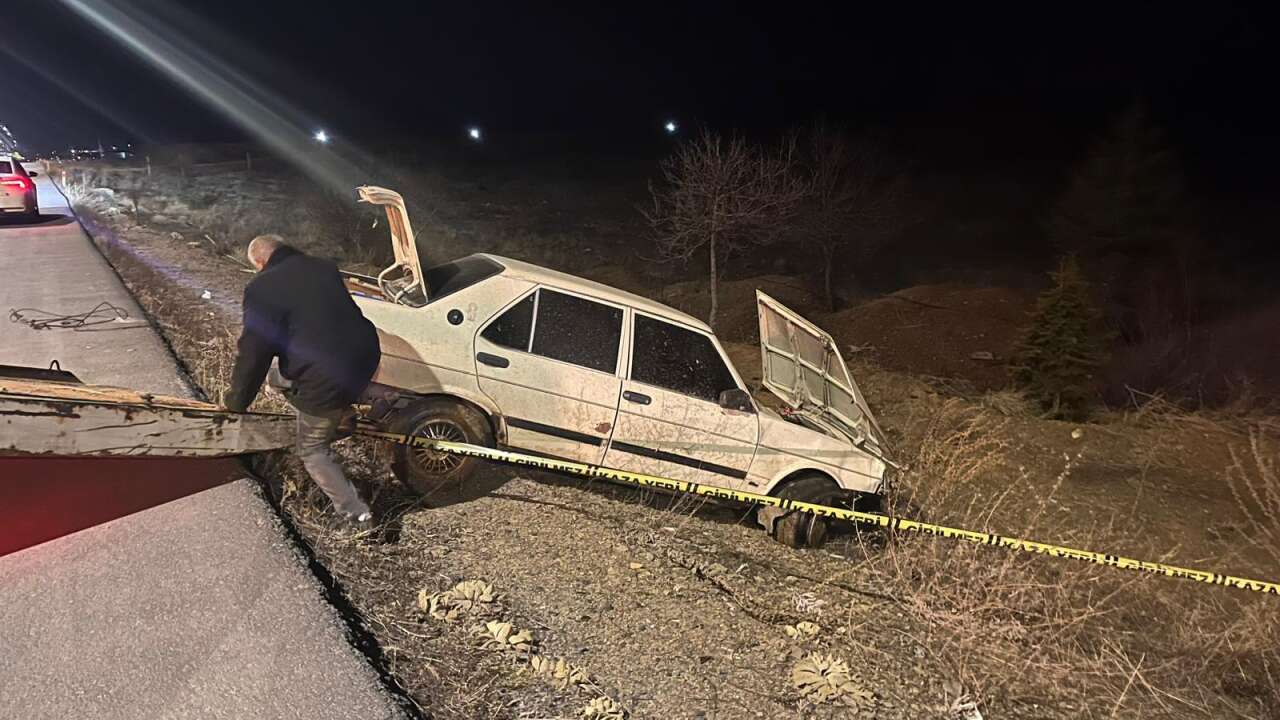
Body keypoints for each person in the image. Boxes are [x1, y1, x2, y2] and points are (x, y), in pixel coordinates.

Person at [223, 234, 382, 531]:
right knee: (279, 378)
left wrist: (237, 402)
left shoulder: (262, 288)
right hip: (366, 356)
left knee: (312, 449)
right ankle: (339, 415)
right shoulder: (323, 267)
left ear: (260, 262)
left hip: (327, 373)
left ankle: (359, 516)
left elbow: (254, 352)